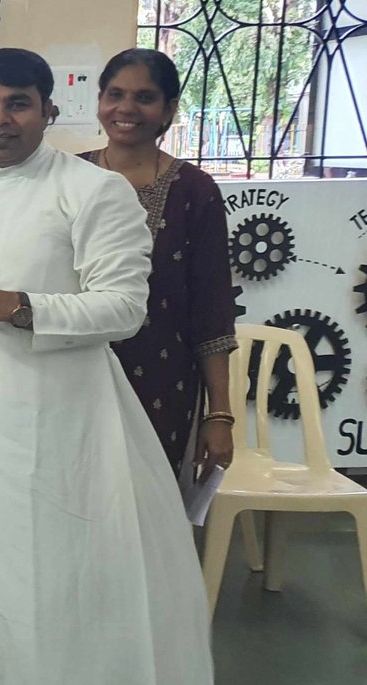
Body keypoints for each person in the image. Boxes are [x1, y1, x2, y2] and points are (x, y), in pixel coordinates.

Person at [0, 48, 213, 684]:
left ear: (48, 110)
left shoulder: (94, 190)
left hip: (62, 416)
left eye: (17, 104)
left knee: (55, 571)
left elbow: (124, 308)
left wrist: (15, 306)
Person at [80, 48, 236, 478]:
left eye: (144, 97)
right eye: (115, 94)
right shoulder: (68, 178)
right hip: (74, 375)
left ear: (168, 110)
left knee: (152, 500)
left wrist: (219, 414)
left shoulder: (194, 190)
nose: (126, 108)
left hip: (163, 381)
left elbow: (212, 308)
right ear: (100, 101)